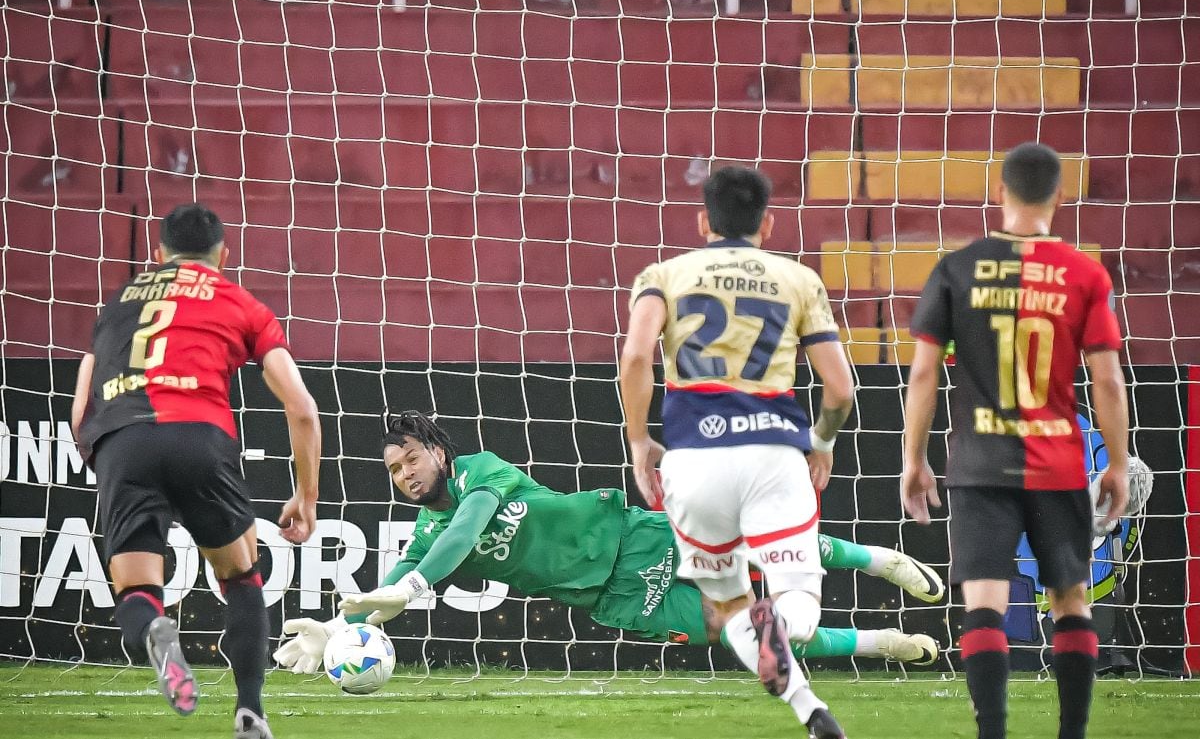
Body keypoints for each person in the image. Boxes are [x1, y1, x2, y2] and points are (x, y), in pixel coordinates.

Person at [272, 410, 942, 677]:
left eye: (411, 458)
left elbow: (469, 527)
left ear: (438, 451)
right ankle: (881, 642)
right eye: (394, 470)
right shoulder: (423, 536)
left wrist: (413, 586)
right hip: (614, 595)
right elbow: (390, 587)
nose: (406, 474)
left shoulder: (482, 469)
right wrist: (338, 625)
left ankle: (878, 560)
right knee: (744, 633)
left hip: (629, 532)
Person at [900, 142, 1130, 739]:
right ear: (1059, 196)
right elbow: (1106, 377)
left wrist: (913, 459)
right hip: (1056, 461)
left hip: (978, 463)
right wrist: (1119, 463)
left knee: (984, 602)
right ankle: (1072, 734)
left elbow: (924, 372)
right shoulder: (1084, 274)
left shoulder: (956, 268)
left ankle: (992, 735)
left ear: (998, 193)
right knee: (1070, 600)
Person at [619, 165, 855, 739]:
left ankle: (809, 710)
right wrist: (820, 444)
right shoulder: (798, 279)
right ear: (768, 223)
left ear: (704, 220)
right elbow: (842, 388)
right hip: (773, 454)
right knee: (798, 599)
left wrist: (638, 439)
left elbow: (634, 359)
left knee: (727, 609)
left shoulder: (663, 275)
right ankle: (780, 624)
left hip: (693, 459)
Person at [70, 203, 321, 739]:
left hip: (123, 439)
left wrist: (111, 459)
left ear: (157, 256)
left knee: (137, 591)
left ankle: (157, 629)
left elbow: (79, 411)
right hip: (199, 436)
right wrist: (306, 497)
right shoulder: (239, 301)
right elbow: (302, 408)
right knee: (240, 576)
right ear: (223, 256)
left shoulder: (116, 307)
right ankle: (250, 710)